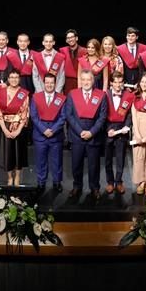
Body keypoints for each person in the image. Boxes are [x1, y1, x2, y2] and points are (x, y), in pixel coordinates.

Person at [65, 69, 108, 199]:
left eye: (88, 79)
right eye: (83, 79)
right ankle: (77, 186)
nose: (86, 82)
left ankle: (95, 188)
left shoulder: (101, 95)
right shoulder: (72, 94)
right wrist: (80, 131)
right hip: (76, 135)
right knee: (76, 164)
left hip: (93, 137)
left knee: (93, 165)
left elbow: (102, 117)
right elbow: (69, 115)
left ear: (93, 81)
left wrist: (92, 132)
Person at [30, 73, 67, 192]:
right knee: (41, 161)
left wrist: (53, 130)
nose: (49, 85)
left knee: (57, 160)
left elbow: (63, 117)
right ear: (43, 83)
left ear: (55, 83)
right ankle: (41, 182)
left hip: (55, 135)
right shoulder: (36, 97)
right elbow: (34, 116)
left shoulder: (62, 98)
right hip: (40, 135)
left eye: (52, 82)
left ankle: (57, 182)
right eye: (47, 82)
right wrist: (44, 130)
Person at [0, 70, 30, 185]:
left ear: (19, 79)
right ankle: (9, 177)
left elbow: (24, 114)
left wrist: (19, 130)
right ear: (8, 79)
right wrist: (5, 130)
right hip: (5, 126)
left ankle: (18, 176)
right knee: (7, 153)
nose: (14, 79)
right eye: (11, 77)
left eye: (16, 77)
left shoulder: (24, 94)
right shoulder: (1, 93)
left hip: (19, 127)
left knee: (18, 153)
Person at [104, 71, 134, 194]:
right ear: (111, 83)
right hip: (108, 129)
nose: (117, 84)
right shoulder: (105, 95)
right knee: (108, 159)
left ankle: (119, 182)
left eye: (120, 82)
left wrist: (127, 126)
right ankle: (110, 182)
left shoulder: (128, 95)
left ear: (123, 83)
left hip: (122, 130)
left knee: (120, 158)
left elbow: (129, 114)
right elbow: (102, 114)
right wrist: (107, 129)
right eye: (115, 82)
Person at [60, 29, 86, 94]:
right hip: (67, 83)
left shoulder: (84, 51)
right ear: (66, 40)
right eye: (68, 38)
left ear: (76, 38)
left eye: (72, 37)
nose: (70, 39)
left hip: (81, 81)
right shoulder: (62, 50)